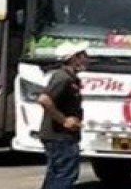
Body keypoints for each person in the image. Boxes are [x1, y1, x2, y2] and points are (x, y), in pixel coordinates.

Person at [37, 41, 89, 189]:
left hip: (62, 136)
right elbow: (44, 99)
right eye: (83, 55)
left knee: (56, 174)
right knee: (65, 174)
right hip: (59, 136)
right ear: (74, 58)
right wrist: (64, 120)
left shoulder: (71, 78)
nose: (87, 58)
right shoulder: (62, 78)